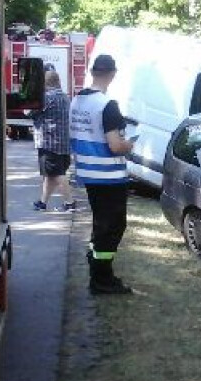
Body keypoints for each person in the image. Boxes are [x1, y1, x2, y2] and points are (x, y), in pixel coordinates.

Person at [69, 55, 136, 295]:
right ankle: (102, 279)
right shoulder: (107, 105)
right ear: (112, 73)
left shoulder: (77, 100)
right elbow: (116, 146)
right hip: (108, 175)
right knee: (113, 226)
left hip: (88, 173)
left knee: (101, 223)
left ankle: (95, 261)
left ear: (92, 71)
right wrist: (129, 144)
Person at [31, 70, 75, 212]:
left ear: (44, 83)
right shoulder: (65, 97)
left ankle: (70, 203)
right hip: (63, 143)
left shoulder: (46, 98)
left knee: (56, 174)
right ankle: (43, 202)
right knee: (51, 174)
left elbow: (28, 112)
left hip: (49, 142)